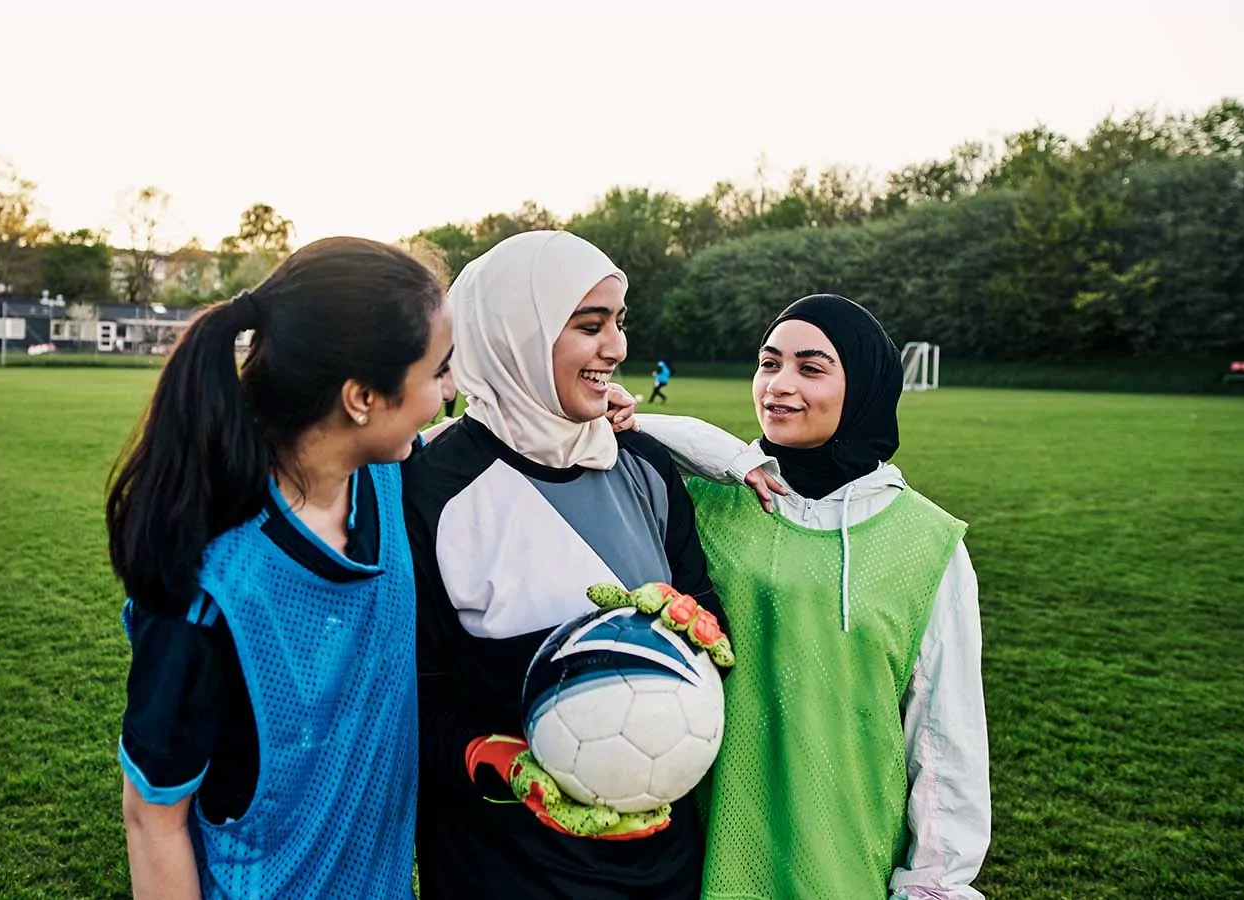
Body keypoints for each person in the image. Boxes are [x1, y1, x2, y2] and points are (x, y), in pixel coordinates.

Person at [106, 237, 452, 900]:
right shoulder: (210, 587)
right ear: (361, 398)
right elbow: (153, 820)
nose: (450, 389)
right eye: (438, 371)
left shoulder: (384, 479)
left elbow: (467, 440)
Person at [404, 230, 729, 900]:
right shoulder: (431, 489)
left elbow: (705, 613)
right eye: (590, 325)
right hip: (501, 867)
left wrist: (702, 626)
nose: (617, 348)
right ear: (515, 333)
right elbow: (412, 691)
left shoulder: (645, 467)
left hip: (661, 866)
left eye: (619, 322)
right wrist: (489, 757)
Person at [637, 294, 990, 900]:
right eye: (768, 363)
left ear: (864, 388)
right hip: (692, 855)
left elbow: (942, 739)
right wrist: (723, 456)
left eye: (811, 368)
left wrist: (934, 886)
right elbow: (601, 433)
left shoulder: (927, 542)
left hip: (843, 861)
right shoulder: (706, 502)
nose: (778, 385)